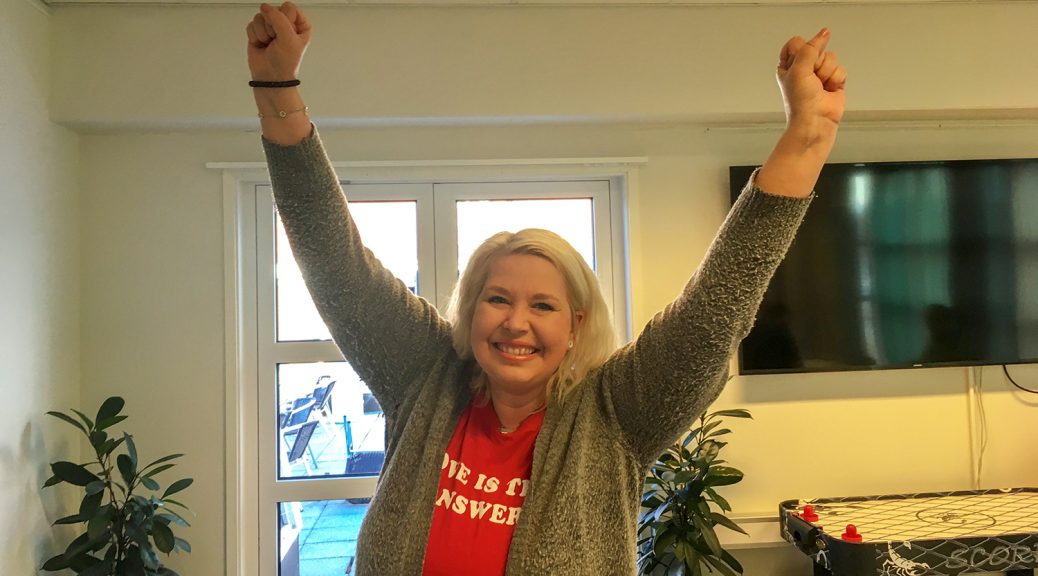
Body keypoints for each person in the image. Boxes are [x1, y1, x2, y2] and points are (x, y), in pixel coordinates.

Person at [245, 3, 846, 574]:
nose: (516, 322)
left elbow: (712, 314)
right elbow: (335, 264)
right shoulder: (423, 377)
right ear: (471, 310)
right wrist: (278, 90)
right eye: (497, 298)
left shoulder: (615, 413)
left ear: (576, 324)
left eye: (543, 305)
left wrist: (807, 136)